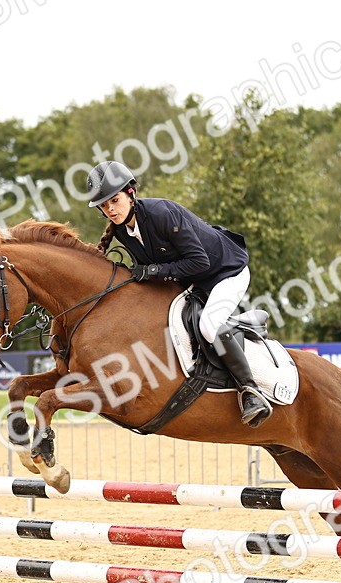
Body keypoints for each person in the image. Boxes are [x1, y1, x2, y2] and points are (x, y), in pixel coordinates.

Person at [85, 160, 272, 427]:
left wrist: (151, 270)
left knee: (208, 325)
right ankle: (236, 327)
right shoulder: (122, 231)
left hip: (226, 272)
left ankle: (251, 391)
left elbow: (200, 262)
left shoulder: (162, 214)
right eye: (104, 206)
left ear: (131, 193)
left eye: (114, 200)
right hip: (193, 279)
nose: (111, 209)